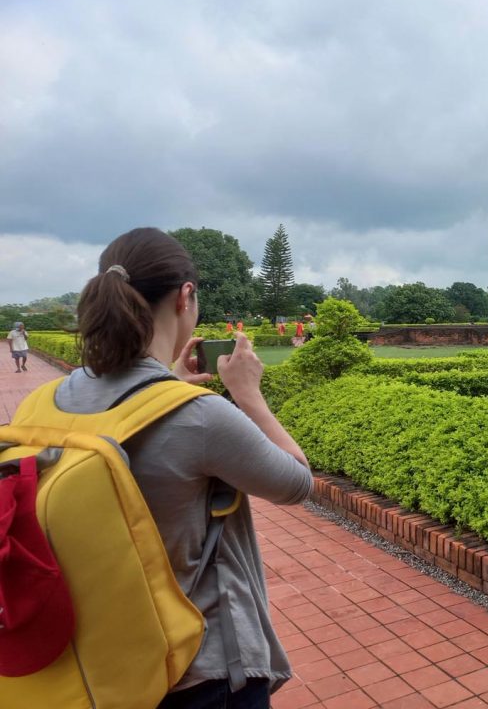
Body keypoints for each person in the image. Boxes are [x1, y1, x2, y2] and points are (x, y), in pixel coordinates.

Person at [57, 228, 312, 706]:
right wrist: (248, 395)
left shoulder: (53, 399)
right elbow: (297, 483)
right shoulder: (194, 414)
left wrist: (167, 385)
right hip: (199, 666)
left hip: (98, 657)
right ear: (186, 296)